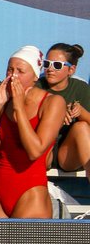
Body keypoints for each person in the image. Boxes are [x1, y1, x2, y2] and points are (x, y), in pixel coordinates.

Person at [0, 46, 64, 219]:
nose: (13, 76)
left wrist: (19, 108)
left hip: (30, 190)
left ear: (35, 76)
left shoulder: (52, 103)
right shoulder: (0, 96)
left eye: (20, 71)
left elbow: (35, 151)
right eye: (10, 69)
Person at [43, 43, 90, 181]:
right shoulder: (37, 87)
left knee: (81, 127)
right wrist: (55, 119)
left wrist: (80, 112)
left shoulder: (80, 88)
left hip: (69, 154)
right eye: (47, 64)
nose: (50, 69)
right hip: (44, 150)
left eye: (57, 65)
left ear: (71, 70)